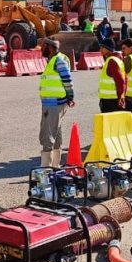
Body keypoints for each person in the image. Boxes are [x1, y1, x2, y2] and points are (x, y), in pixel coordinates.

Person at [38, 38, 73, 168]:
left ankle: (45, 167)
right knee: (56, 133)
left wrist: (70, 96)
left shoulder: (58, 61)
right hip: (55, 103)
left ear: (50, 47)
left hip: (53, 104)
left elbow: (67, 80)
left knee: (47, 134)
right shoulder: (56, 60)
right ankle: (55, 165)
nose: (41, 49)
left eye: (43, 47)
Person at [97, 39, 126, 113]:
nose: (100, 50)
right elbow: (125, 79)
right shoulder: (117, 59)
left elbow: (120, 81)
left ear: (108, 48)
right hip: (112, 98)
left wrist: (120, 97)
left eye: (102, 47)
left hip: (110, 100)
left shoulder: (112, 61)